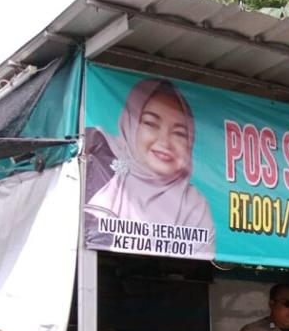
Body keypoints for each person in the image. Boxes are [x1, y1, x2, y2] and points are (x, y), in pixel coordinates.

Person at [84, 78, 215, 235]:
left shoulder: (194, 206)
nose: (165, 142)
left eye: (179, 133)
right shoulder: (96, 154)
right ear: (130, 126)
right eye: (151, 124)